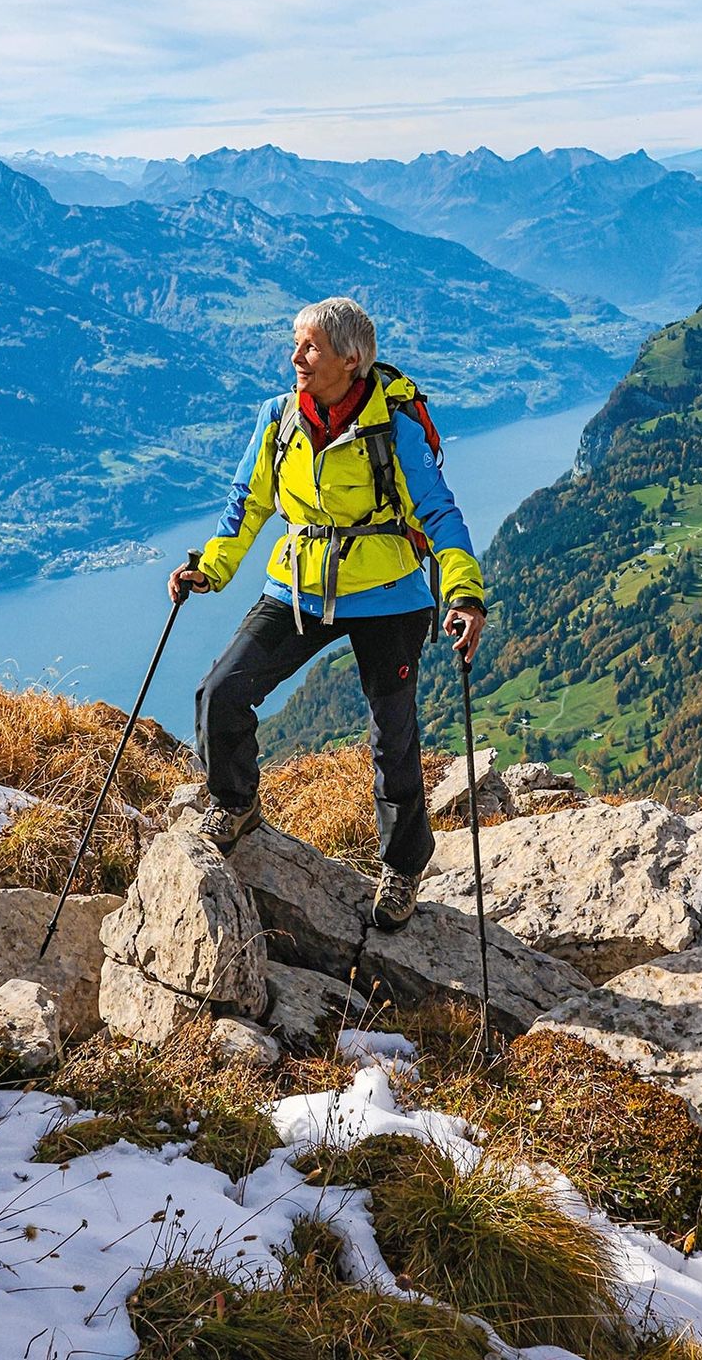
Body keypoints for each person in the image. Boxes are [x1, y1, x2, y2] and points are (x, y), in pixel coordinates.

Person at [168, 295, 486, 931]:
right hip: (299, 587)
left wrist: (462, 594)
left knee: (391, 733)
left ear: (350, 358)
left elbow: (439, 512)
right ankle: (235, 804)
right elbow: (248, 502)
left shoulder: (392, 424)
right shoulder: (278, 418)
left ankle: (401, 867)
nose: (295, 357)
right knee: (220, 692)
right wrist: (211, 566)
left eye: (309, 347)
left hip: (388, 593)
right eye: (297, 344)